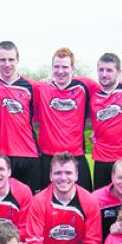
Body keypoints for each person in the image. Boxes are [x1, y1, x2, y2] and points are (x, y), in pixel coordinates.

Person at [0, 41, 41, 192]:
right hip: (0, 155)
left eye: (11, 59)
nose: (7, 64)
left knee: (30, 205)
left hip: (28, 154)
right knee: (3, 205)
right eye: (2, 60)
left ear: (17, 60)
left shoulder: (31, 86)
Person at [80, 53, 122, 190]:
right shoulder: (93, 95)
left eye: (109, 70)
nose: (104, 74)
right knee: (102, 205)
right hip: (102, 160)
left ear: (118, 72)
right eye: (101, 70)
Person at [34, 48, 93, 191]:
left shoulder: (86, 86)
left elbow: (107, 98)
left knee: (83, 202)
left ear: (72, 68)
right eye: (56, 67)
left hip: (75, 155)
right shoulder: (40, 87)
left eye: (65, 67)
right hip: (47, 156)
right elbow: (14, 83)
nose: (60, 71)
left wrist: (97, 129)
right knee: (44, 204)